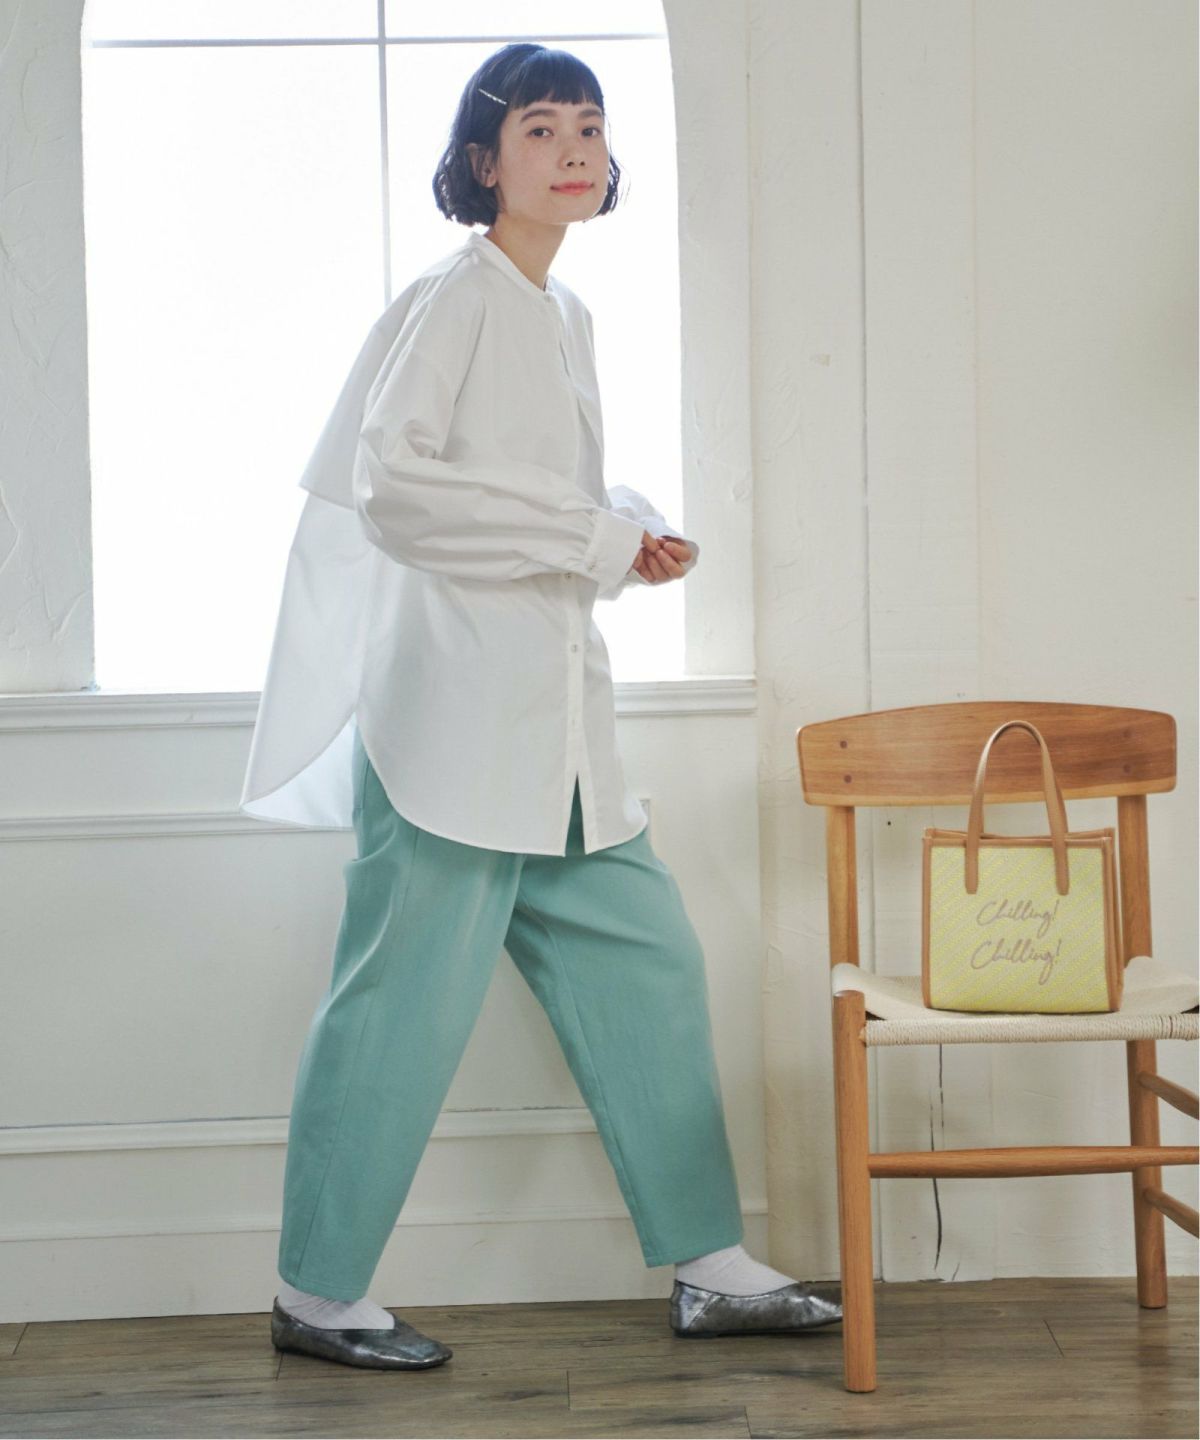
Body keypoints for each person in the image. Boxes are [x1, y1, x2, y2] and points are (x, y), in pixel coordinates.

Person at [259, 42, 842, 1372]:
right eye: (540, 128)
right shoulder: (453, 297)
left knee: (650, 962)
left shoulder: (560, 310)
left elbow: (536, 501)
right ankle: (316, 1293)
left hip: (559, 733)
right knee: (397, 1008)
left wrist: (626, 533)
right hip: (453, 731)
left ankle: (710, 1263)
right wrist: (590, 534)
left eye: (590, 124)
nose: (574, 148)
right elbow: (395, 487)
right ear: (483, 160)